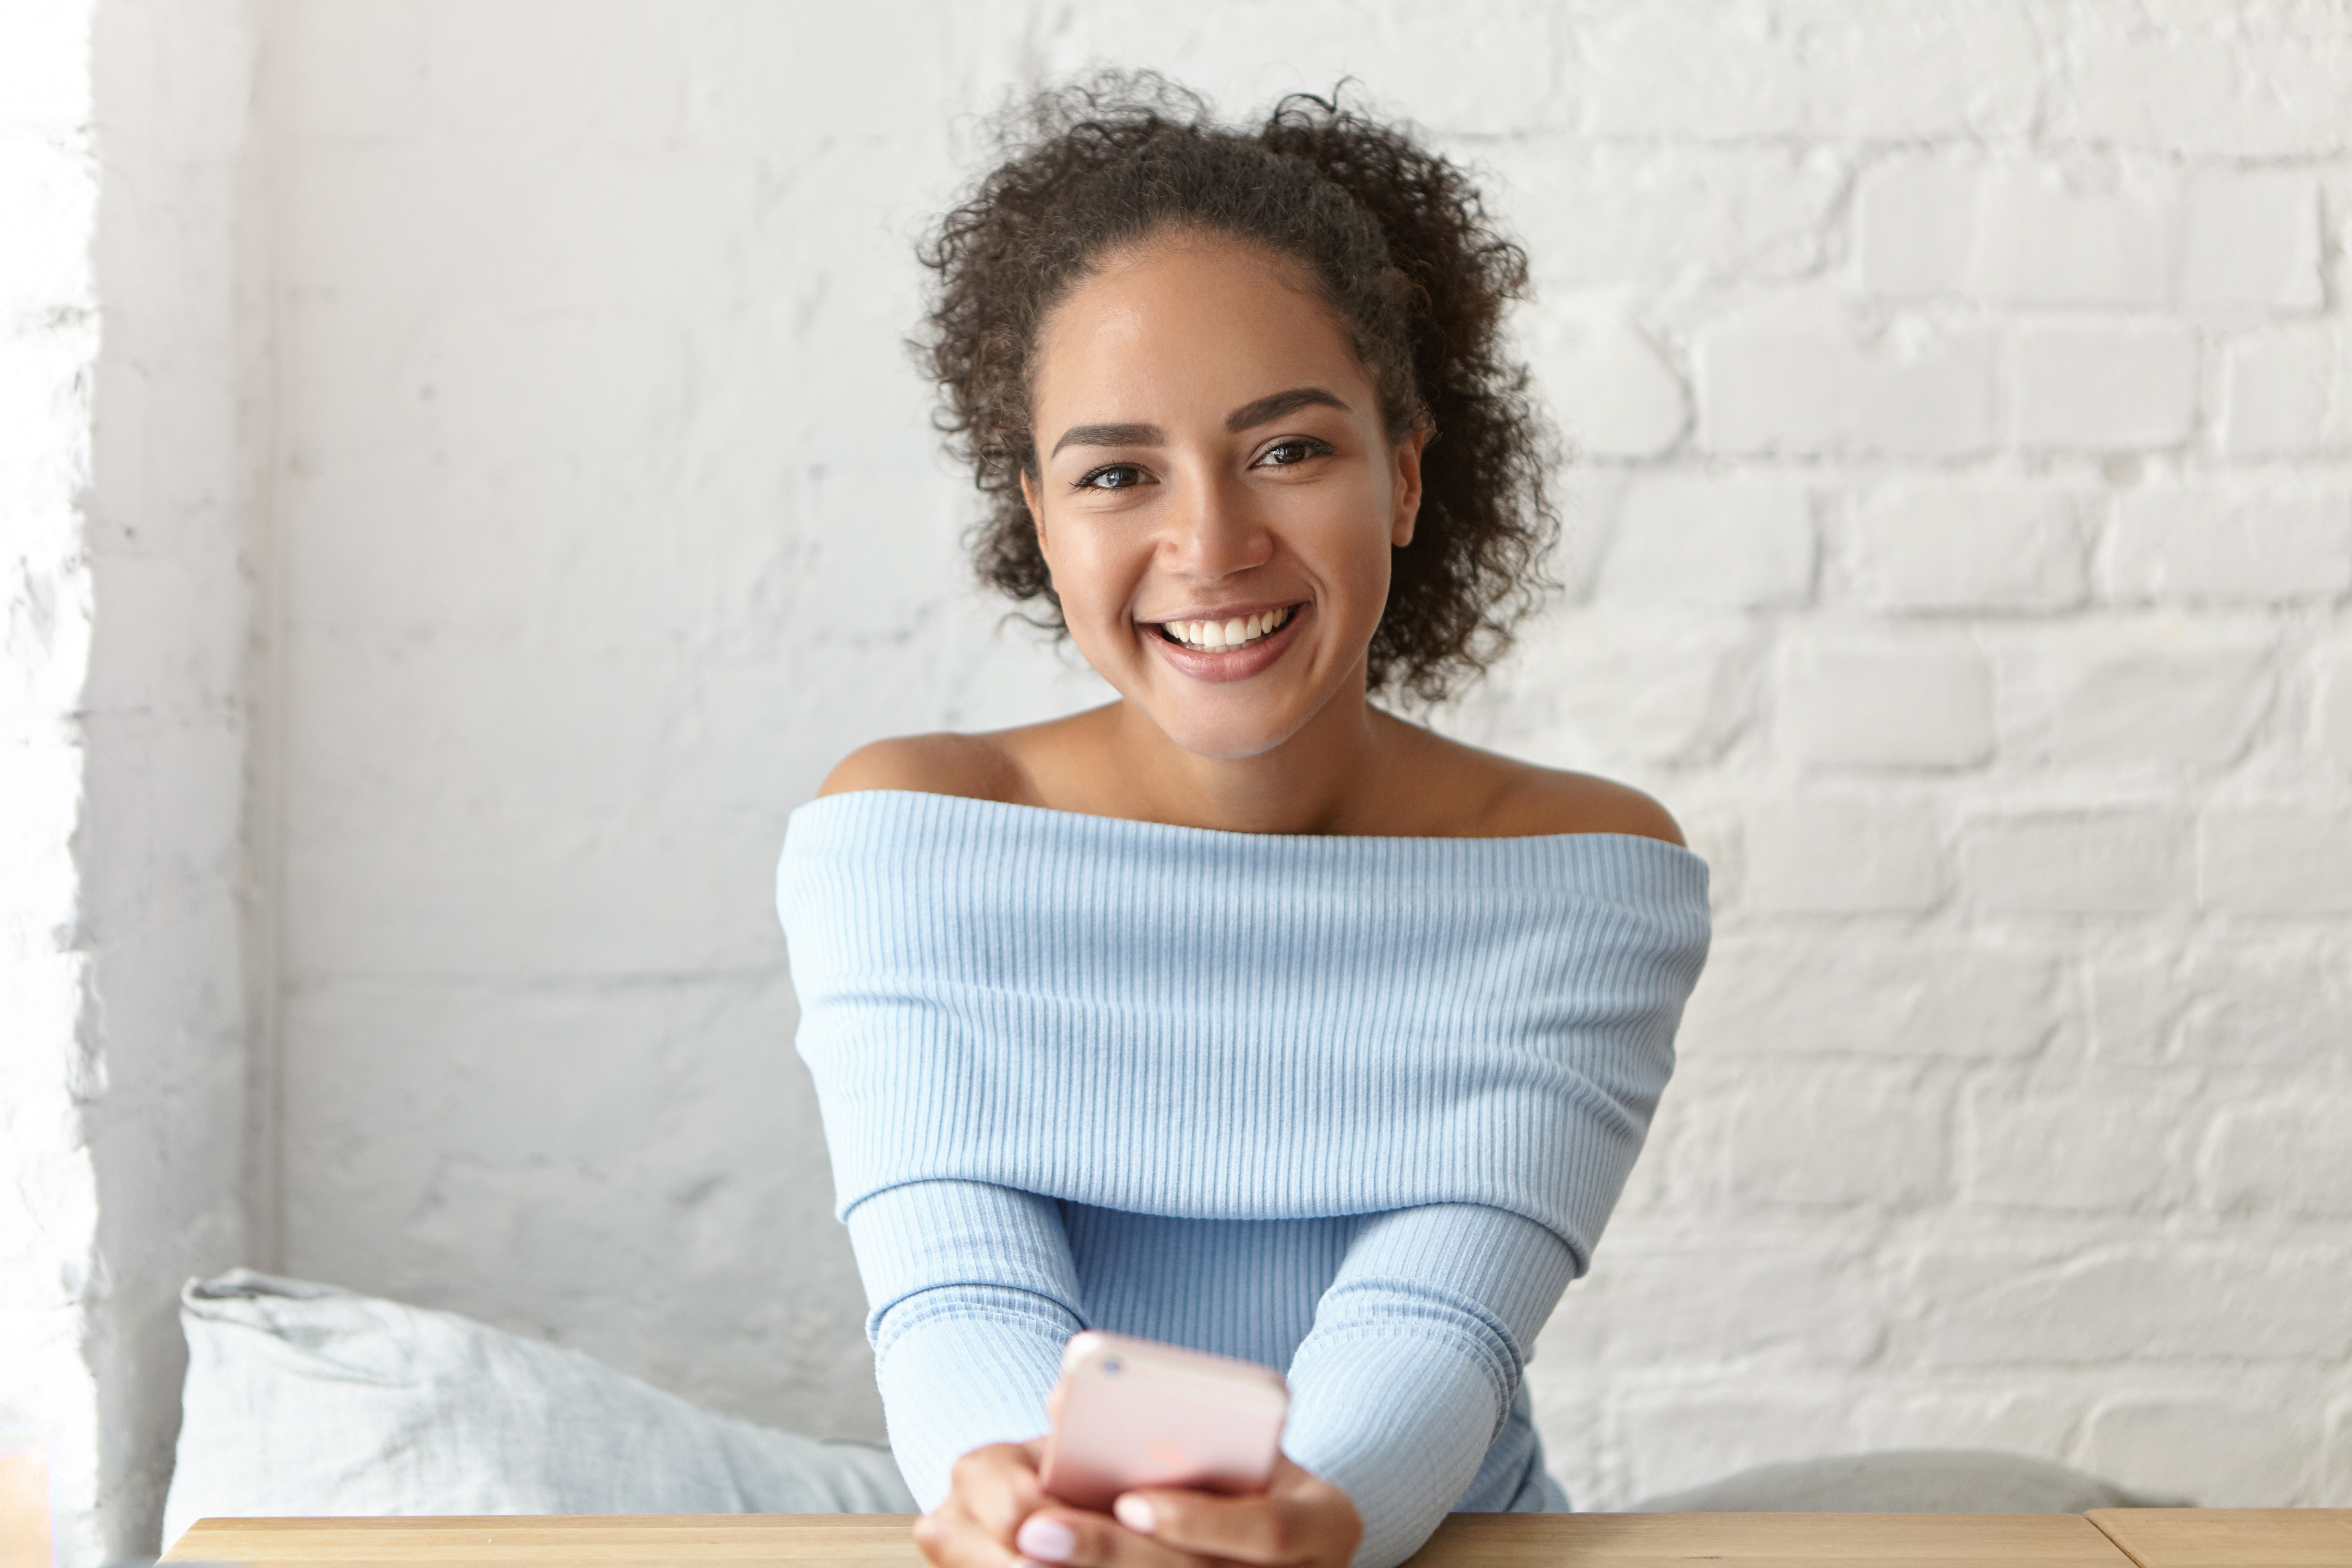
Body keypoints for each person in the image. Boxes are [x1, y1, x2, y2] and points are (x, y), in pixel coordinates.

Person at [778, 75, 1709, 1568]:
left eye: (1289, 450)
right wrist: (1062, 1522)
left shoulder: (1587, 881)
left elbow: (1434, 1319)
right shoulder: (907, 838)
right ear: (1039, 515)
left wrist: (1306, 1523)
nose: (1209, 544)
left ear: (1404, 474)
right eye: (1118, 473)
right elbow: (959, 1296)